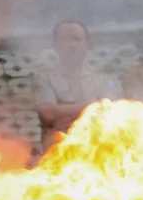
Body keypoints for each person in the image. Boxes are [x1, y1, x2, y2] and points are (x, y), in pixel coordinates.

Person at [35, 19, 121, 152]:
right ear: (55, 45)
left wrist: (63, 114)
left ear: (87, 44)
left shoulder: (103, 78)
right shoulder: (43, 78)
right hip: (57, 151)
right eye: (65, 40)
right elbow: (48, 114)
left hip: (96, 150)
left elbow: (111, 112)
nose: (72, 45)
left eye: (77, 39)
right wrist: (93, 106)